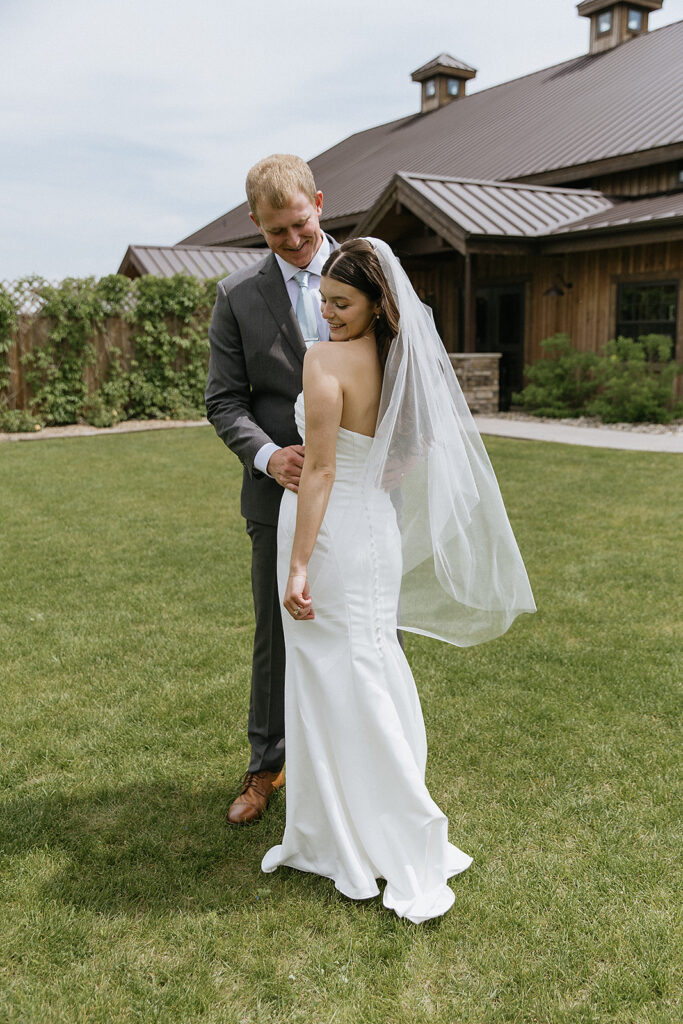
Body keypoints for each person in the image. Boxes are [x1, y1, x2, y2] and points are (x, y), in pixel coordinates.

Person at [261, 237, 536, 923]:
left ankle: (376, 828)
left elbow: (320, 470)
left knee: (339, 673)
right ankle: (347, 827)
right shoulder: (403, 357)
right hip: (372, 526)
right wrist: (371, 482)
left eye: (342, 303)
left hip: (329, 536)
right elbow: (412, 448)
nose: (326, 315)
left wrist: (298, 564)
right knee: (368, 666)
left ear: (379, 302)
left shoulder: (326, 361)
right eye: (322, 302)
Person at [206, 155, 339, 824]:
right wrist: (265, 458)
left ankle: (363, 765)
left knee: (366, 628)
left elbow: (410, 379)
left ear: (318, 201)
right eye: (275, 232)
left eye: (302, 225)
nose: (293, 242)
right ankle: (266, 768)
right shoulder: (235, 297)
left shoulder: (371, 272)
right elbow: (223, 400)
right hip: (276, 500)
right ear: (254, 225)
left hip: (362, 495)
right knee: (276, 632)